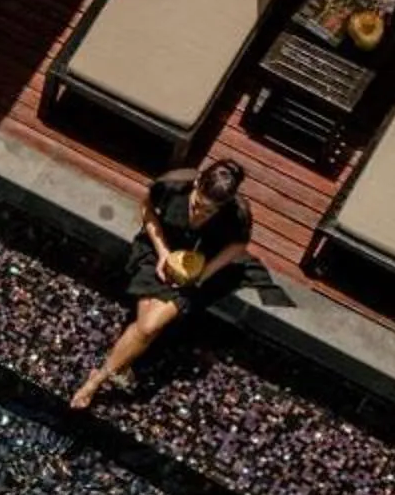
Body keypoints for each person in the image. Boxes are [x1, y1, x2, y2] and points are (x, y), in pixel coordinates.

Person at [70, 156, 256, 406]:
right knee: (147, 328)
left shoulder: (237, 214)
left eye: (209, 211)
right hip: (157, 251)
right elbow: (146, 211)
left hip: (191, 271)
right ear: (198, 182)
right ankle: (112, 372)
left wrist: (204, 273)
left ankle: (96, 380)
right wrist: (163, 253)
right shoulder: (173, 186)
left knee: (147, 326)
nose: (200, 213)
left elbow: (238, 245)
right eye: (197, 204)